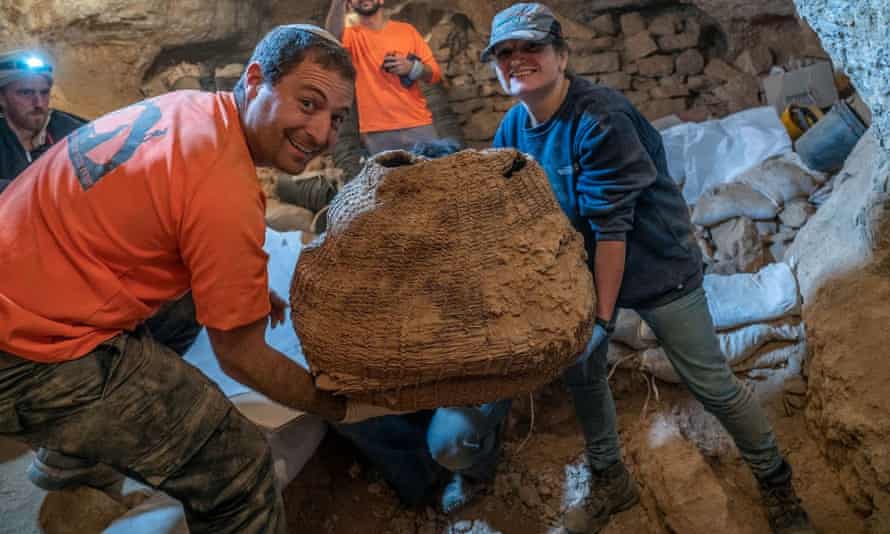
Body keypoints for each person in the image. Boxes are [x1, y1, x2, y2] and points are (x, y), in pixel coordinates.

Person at [0, 24, 393, 534]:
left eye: (336, 119)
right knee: (239, 469)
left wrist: (238, 285)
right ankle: (70, 441)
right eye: (308, 103)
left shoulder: (191, 109)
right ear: (255, 80)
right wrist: (338, 406)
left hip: (27, 284)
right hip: (24, 353)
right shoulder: (224, 186)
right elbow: (242, 356)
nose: (321, 134)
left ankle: (74, 460)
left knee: (184, 308)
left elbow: (157, 219)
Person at [480, 4, 815, 534]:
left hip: (655, 263)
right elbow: (506, 206)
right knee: (586, 380)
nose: (517, 60)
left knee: (710, 381)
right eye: (504, 53)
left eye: (531, 48)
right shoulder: (514, 127)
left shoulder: (599, 118)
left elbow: (613, 231)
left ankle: (778, 486)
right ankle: (612, 480)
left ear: (562, 57)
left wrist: (600, 322)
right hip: (580, 271)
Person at [325, 0, 445, 154]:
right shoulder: (351, 37)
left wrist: (412, 67)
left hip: (418, 123)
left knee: (435, 176)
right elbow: (330, 39)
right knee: (389, 178)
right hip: (377, 132)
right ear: (349, 4)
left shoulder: (406, 31)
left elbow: (434, 74)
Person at [0, 49, 86, 192]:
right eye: (26, 93)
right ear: (1, 98)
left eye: (44, 92)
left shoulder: (74, 133)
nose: (39, 103)